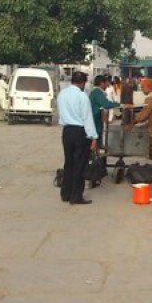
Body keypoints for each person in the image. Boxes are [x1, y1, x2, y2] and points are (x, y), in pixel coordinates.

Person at [57, 71, 97, 205]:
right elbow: (87, 118)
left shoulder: (62, 94)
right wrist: (93, 137)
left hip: (67, 131)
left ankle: (65, 193)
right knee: (79, 165)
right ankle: (76, 196)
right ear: (82, 83)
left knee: (69, 163)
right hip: (80, 132)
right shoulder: (82, 96)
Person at [89, 75, 120, 147]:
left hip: (96, 118)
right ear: (102, 83)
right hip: (95, 118)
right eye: (106, 83)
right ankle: (96, 154)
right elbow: (106, 104)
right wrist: (118, 104)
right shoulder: (97, 92)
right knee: (96, 137)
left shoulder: (96, 91)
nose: (107, 85)